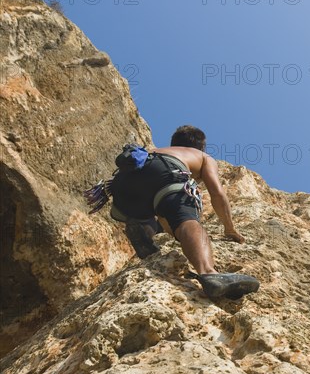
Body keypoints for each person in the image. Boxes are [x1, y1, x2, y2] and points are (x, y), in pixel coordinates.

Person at [86, 125, 259, 299]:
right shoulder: (203, 156)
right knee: (185, 219)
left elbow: (167, 215)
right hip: (164, 172)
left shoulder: (157, 150)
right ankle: (209, 272)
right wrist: (230, 228)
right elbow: (217, 193)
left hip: (123, 184)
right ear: (201, 146)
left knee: (162, 208)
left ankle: (143, 227)